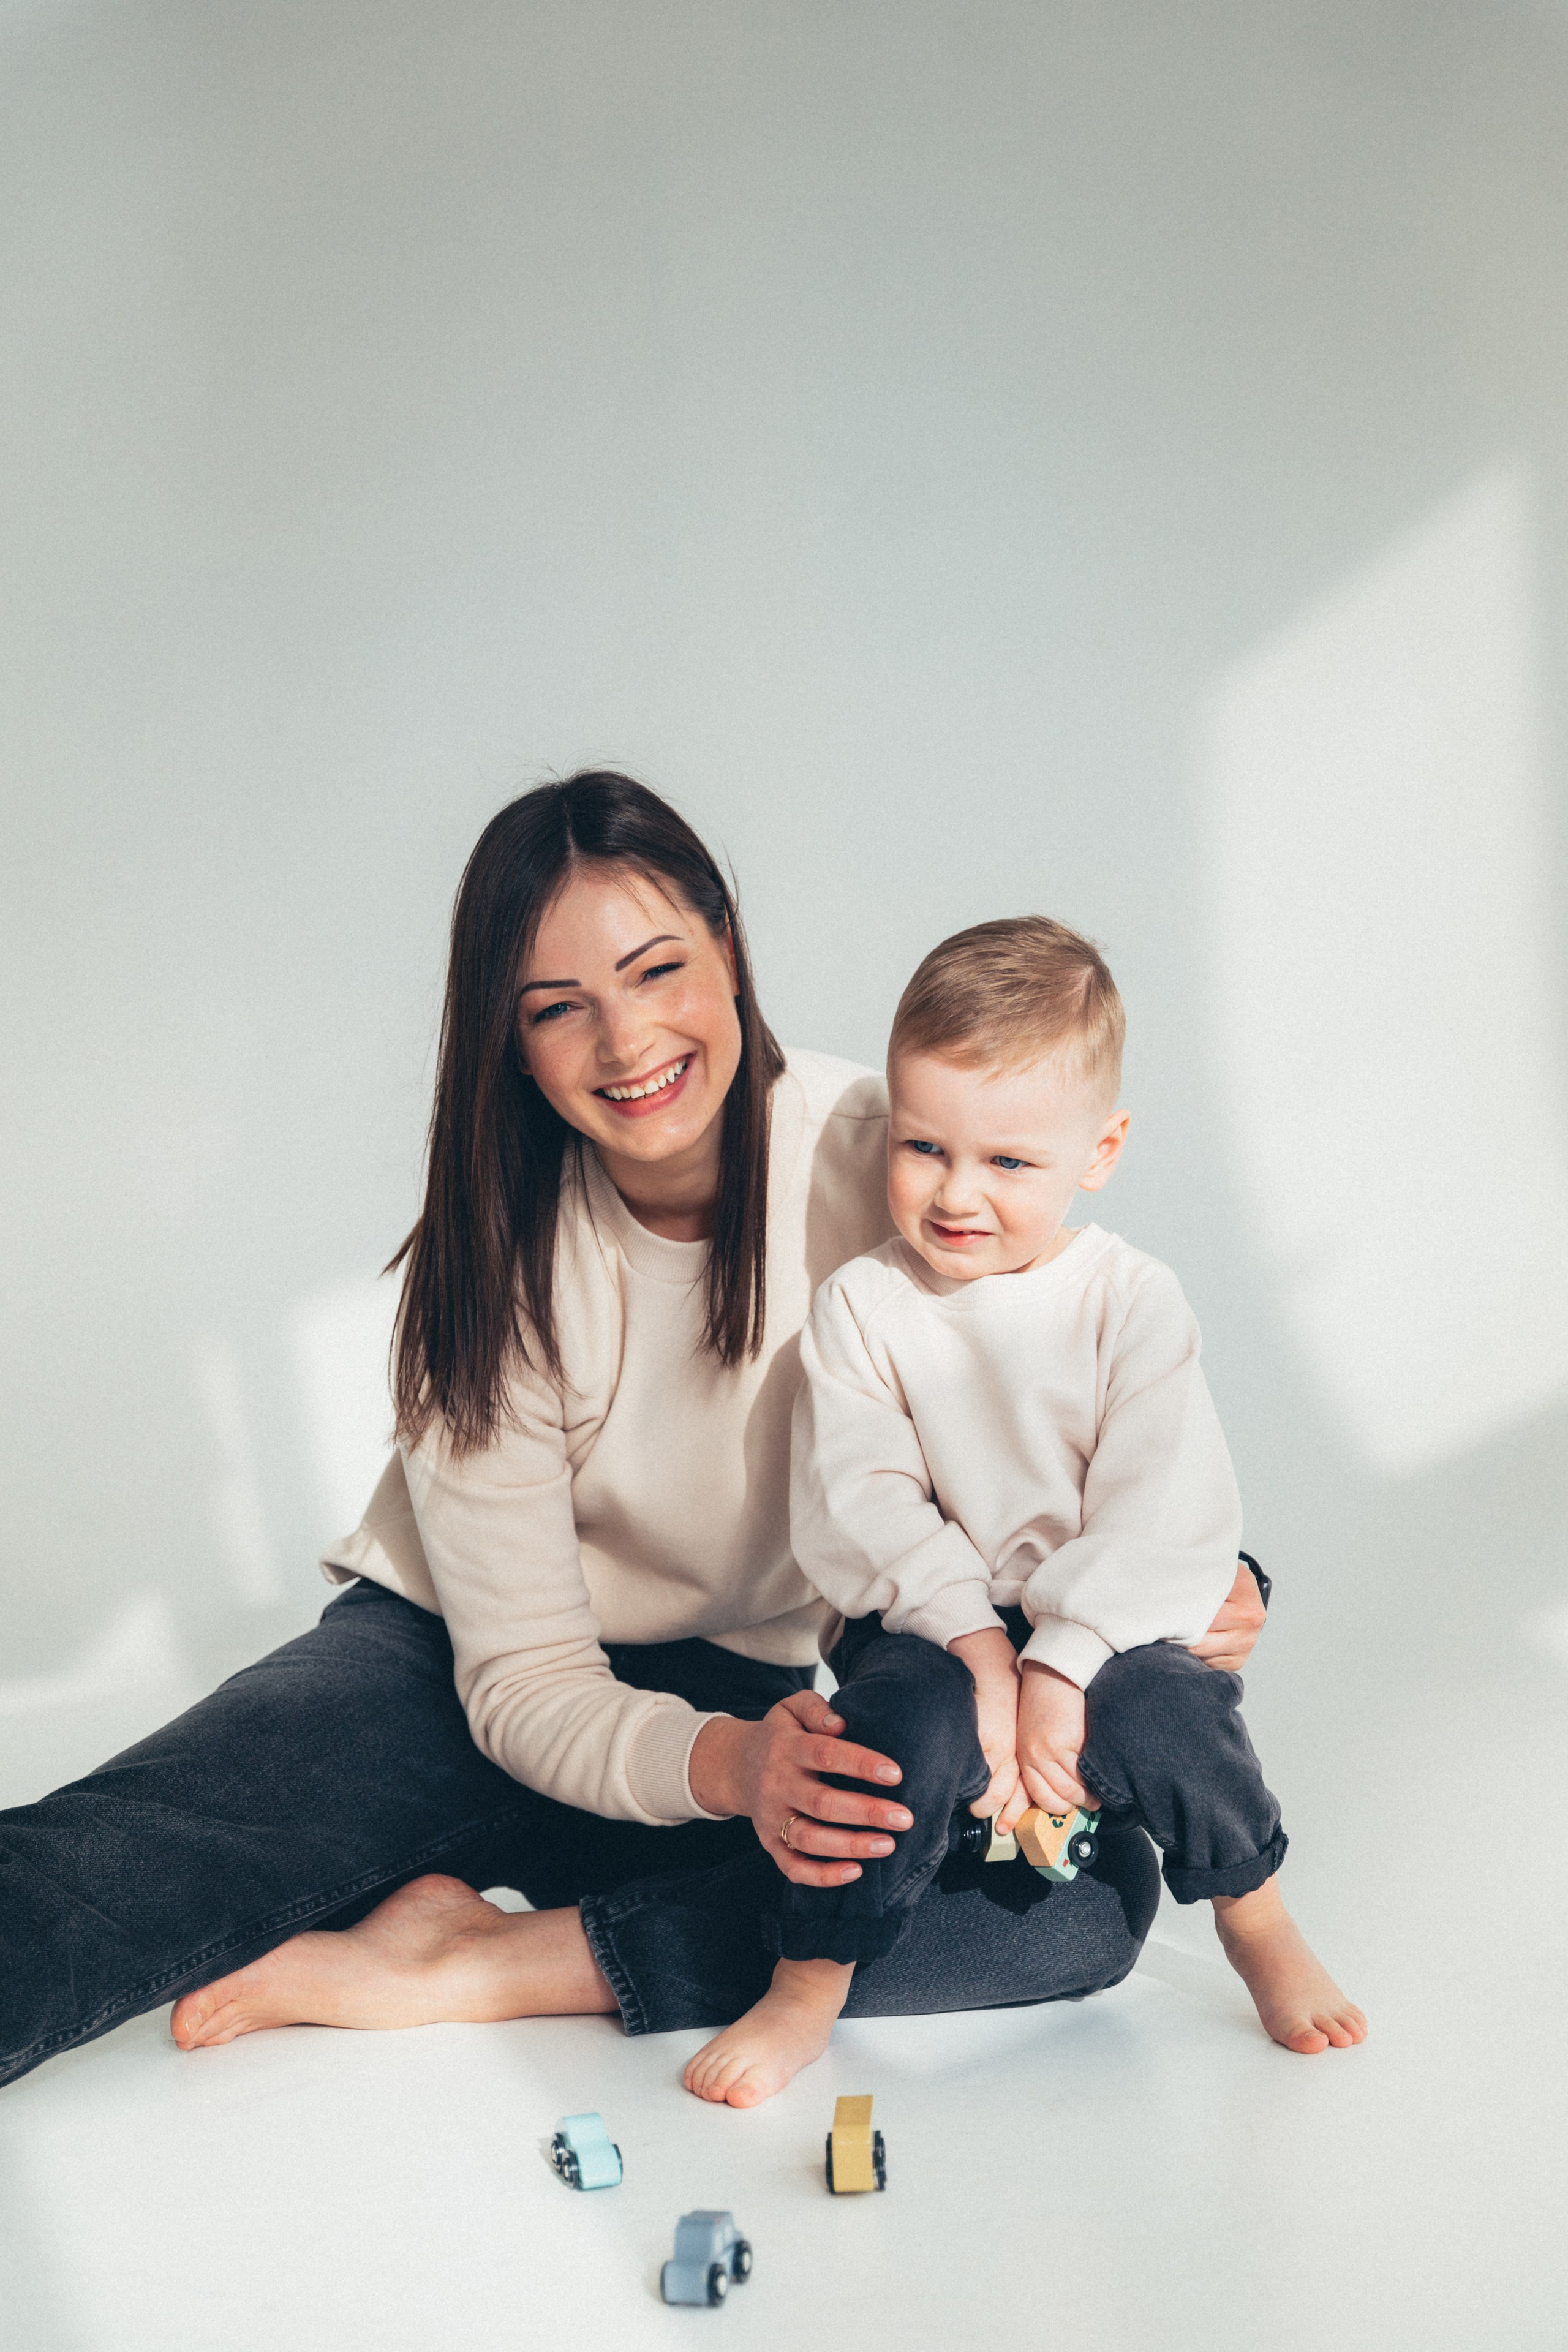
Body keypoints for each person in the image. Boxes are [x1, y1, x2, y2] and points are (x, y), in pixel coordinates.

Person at [0, 780, 1265, 2093]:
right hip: (439, 1676)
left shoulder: (898, 1158)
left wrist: (1170, 1601)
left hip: (723, 1694)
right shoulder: (490, 1269)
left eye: (655, 969)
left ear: (728, 948)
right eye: (557, 1008)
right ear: (512, 1042)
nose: (625, 1041)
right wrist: (730, 1770)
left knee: (1076, 1898)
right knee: (116, 1868)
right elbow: (526, 1682)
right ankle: (439, 1901)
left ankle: (477, 1960)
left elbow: (1063, 1427)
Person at [684, 916, 1365, 2109]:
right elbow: (860, 1498)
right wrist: (977, 1646)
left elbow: (1159, 1498)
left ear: (1096, 1150)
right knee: (890, 1754)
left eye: (1007, 1163)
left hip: (1100, 1615)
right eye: (922, 1146)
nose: (955, 1195)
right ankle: (809, 1976)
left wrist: (1062, 1660)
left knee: (1171, 1715)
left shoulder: (1128, 1300)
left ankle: (1251, 1916)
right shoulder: (863, 1306)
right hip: (918, 1616)